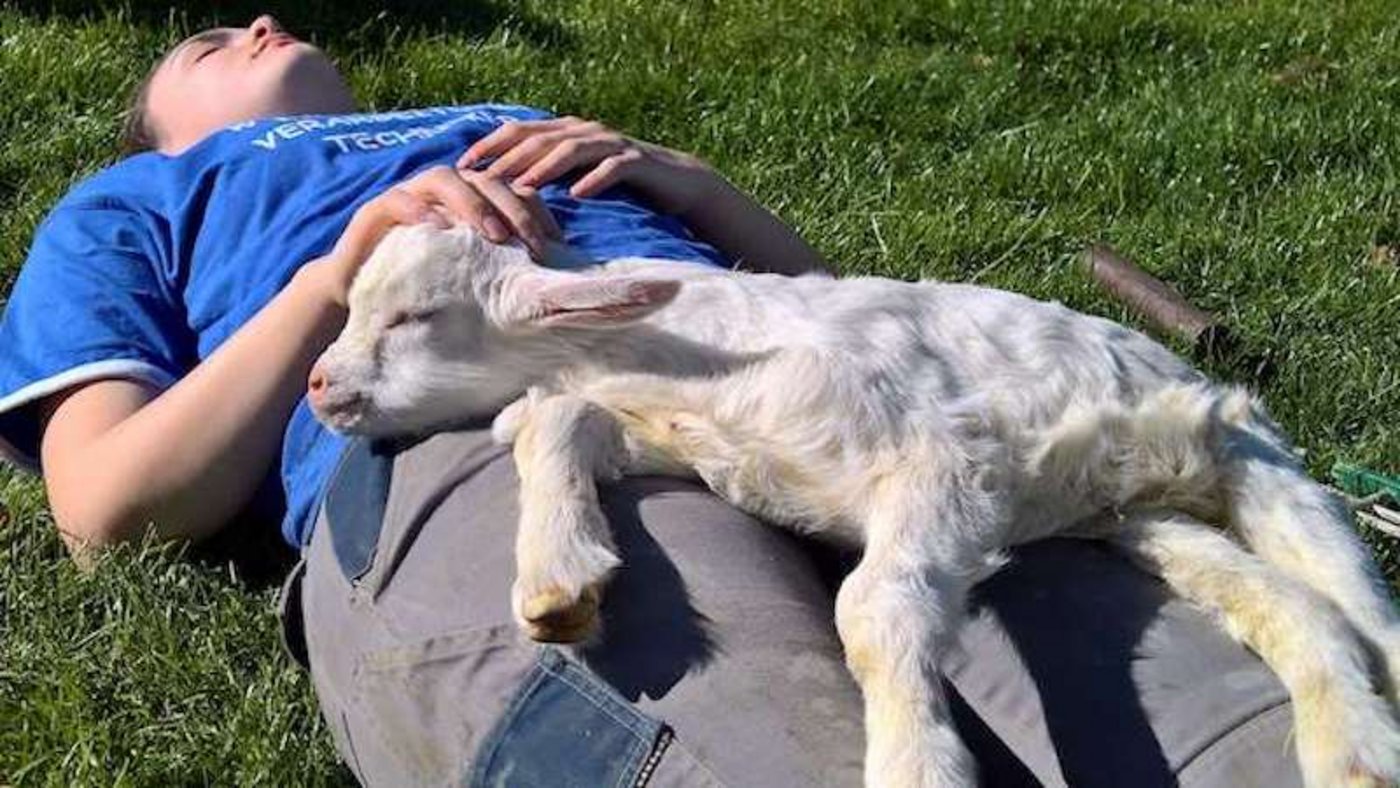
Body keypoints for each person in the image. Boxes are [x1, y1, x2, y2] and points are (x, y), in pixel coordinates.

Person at [0, 15, 1305, 787]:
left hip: (794, 372)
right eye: (212, 40)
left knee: (1162, 670)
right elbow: (110, 503)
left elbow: (844, 295)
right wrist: (336, 278)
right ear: (161, 130)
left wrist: (686, 184)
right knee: (720, 703)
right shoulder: (138, 204)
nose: (260, 20)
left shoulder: (499, 114)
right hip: (472, 424)